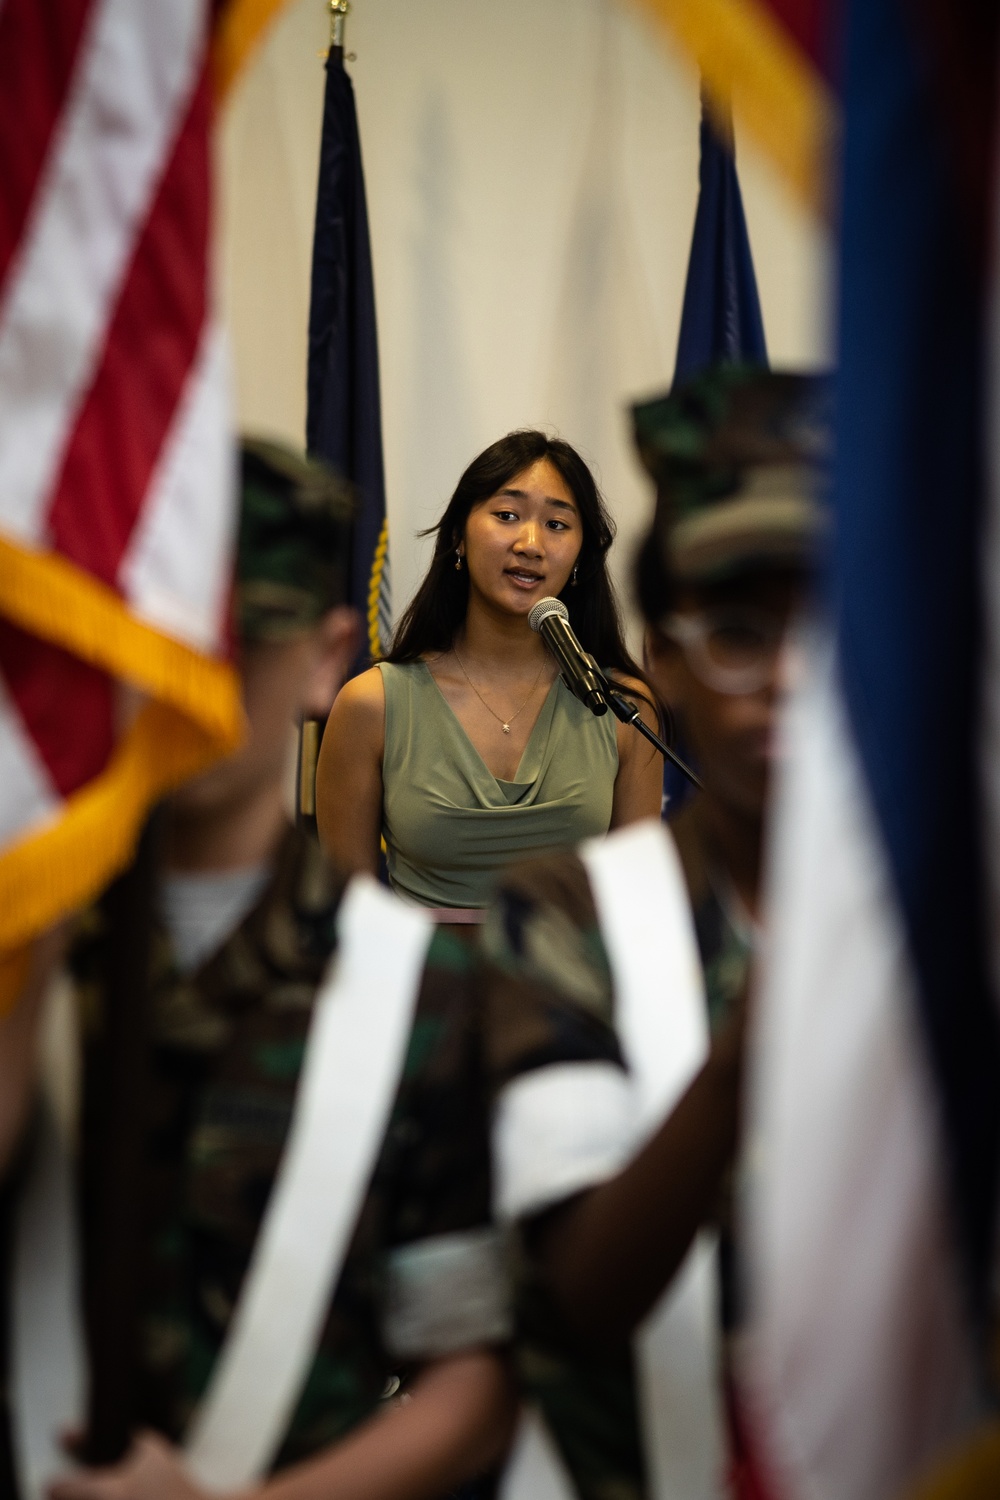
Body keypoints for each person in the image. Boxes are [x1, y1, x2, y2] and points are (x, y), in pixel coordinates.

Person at [5, 440, 515, 1500]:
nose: (188, 685)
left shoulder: (423, 988)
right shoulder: (28, 945)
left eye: (235, 643)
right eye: (164, 642)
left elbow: (468, 1384)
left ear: (327, 657)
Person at [477, 367, 825, 1500]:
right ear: (662, 667)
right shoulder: (568, 912)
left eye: (836, 634)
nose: (788, 681)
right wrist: (750, 1052)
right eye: (735, 636)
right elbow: (574, 1298)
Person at [316, 431, 662, 916]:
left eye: (558, 524)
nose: (531, 544)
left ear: (582, 554)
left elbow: (637, 909)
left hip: (572, 988)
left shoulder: (624, 708)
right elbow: (341, 915)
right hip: (419, 984)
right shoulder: (371, 704)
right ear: (459, 534)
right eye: (507, 516)